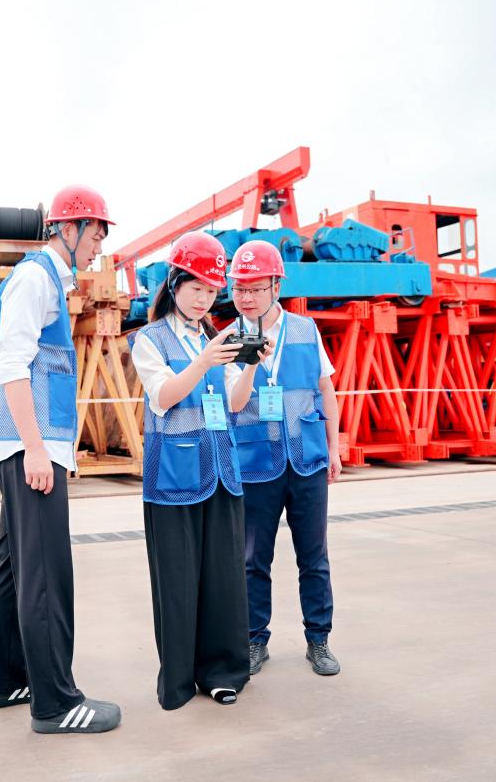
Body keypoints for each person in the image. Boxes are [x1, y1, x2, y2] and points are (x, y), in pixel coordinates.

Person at [0, 184, 121, 734]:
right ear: (68, 228)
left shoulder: (51, 283)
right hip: (28, 449)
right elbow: (11, 364)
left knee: (13, 566)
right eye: (96, 233)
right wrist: (37, 450)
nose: (99, 245)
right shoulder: (35, 279)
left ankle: (3, 680)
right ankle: (56, 703)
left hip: (29, 446)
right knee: (45, 574)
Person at [130, 231, 273, 709]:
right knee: (177, 583)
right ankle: (177, 680)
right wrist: (203, 361)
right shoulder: (149, 340)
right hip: (173, 477)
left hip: (221, 474)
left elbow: (234, 402)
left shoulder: (217, 338)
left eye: (212, 291)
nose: (203, 299)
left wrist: (250, 366)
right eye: (196, 288)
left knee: (223, 580)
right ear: (174, 284)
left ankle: (224, 672)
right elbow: (163, 396)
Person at [227, 240, 343, 677]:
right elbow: (235, 403)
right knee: (253, 560)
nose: (246, 297)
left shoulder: (306, 331)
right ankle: (255, 640)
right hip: (256, 464)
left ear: (277, 286)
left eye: (256, 288)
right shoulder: (229, 339)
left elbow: (325, 389)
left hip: (307, 459)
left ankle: (319, 640)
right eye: (240, 288)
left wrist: (334, 448)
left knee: (313, 557)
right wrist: (249, 360)